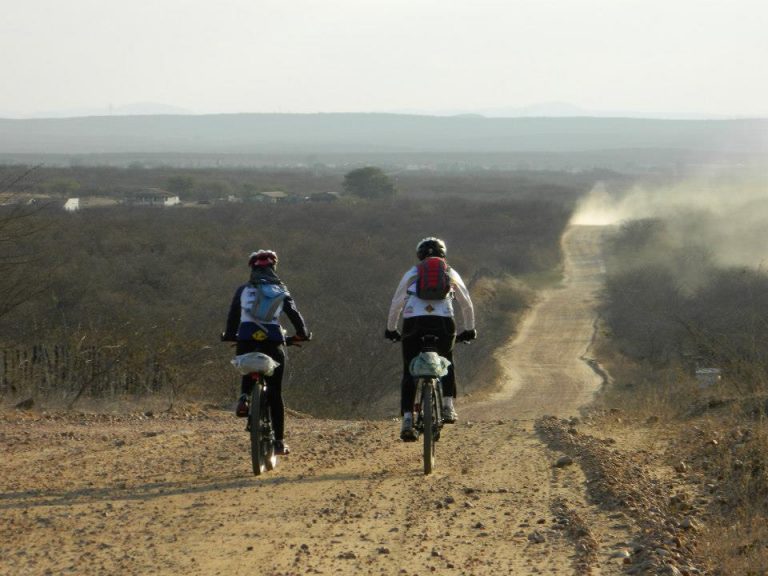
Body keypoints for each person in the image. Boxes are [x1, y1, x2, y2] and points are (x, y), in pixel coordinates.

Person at [385, 237, 476, 441]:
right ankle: (448, 407)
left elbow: (396, 302)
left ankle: (407, 419)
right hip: (443, 321)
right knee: (447, 360)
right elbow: (466, 303)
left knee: (409, 369)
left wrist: (391, 329)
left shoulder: (413, 272)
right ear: (443, 254)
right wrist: (469, 329)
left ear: (419, 255)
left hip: (413, 322)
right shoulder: (449, 271)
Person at [222, 249, 311, 456]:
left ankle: (244, 397)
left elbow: (233, 316)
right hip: (273, 340)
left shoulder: (242, 290)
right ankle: (279, 442)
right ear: (273, 269)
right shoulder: (280, 290)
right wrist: (302, 334)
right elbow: (295, 316)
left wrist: (229, 335)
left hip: (245, 338)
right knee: (275, 393)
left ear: (252, 270)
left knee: (247, 364)